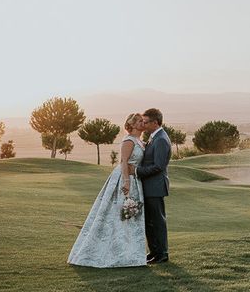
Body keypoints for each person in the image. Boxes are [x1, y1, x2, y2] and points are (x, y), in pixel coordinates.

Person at [67, 113, 147, 268]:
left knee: (131, 215)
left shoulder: (141, 141)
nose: (142, 123)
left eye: (142, 120)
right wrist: (126, 182)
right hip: (124, 180)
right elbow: (124, 161)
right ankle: (112, 251)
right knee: (118, 213)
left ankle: (130, 252)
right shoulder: (129, 140)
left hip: (136, 180)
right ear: (132, 125)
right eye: (139, 121)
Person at [130, 108, 172, 264]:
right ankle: (154, 251)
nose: (144, 124)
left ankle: (162, 253)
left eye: (146, 122)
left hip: (155, 187)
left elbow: (158, 166)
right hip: (149, 187)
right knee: (149, 221)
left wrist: (137, 171)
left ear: (155, 122)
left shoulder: (161, 139)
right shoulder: (154, 137)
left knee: (157, 222)